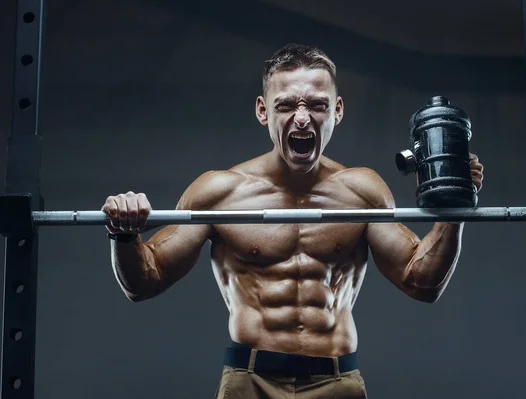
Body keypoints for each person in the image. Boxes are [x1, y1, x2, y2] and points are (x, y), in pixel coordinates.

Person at [102, 43, 484, 399]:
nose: (302, 119)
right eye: (286, 106)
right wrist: (125, 235)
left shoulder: (362, 192)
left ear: (336, 110)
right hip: (250, 382)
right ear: (263, 111)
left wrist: (455, 208)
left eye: (316, 105)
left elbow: (421, 282)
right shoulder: (220, 194)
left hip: (337, 381)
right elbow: (146, 281)